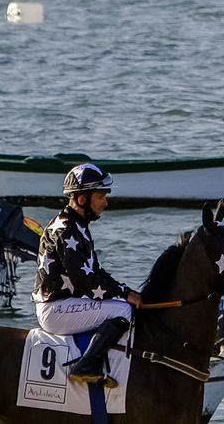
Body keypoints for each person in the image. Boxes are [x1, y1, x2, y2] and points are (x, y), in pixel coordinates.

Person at [34, 163, 141, 387]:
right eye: (101, 196)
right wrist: (124, 295)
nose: (106, 202)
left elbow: (96, 272)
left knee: (123, 303)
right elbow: (88, 284)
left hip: (66, 303)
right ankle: (86, 366)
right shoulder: (66, 230)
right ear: (82, 199)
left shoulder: (77, 225)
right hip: (55, 309)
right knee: (123, 310)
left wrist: (127, 291)